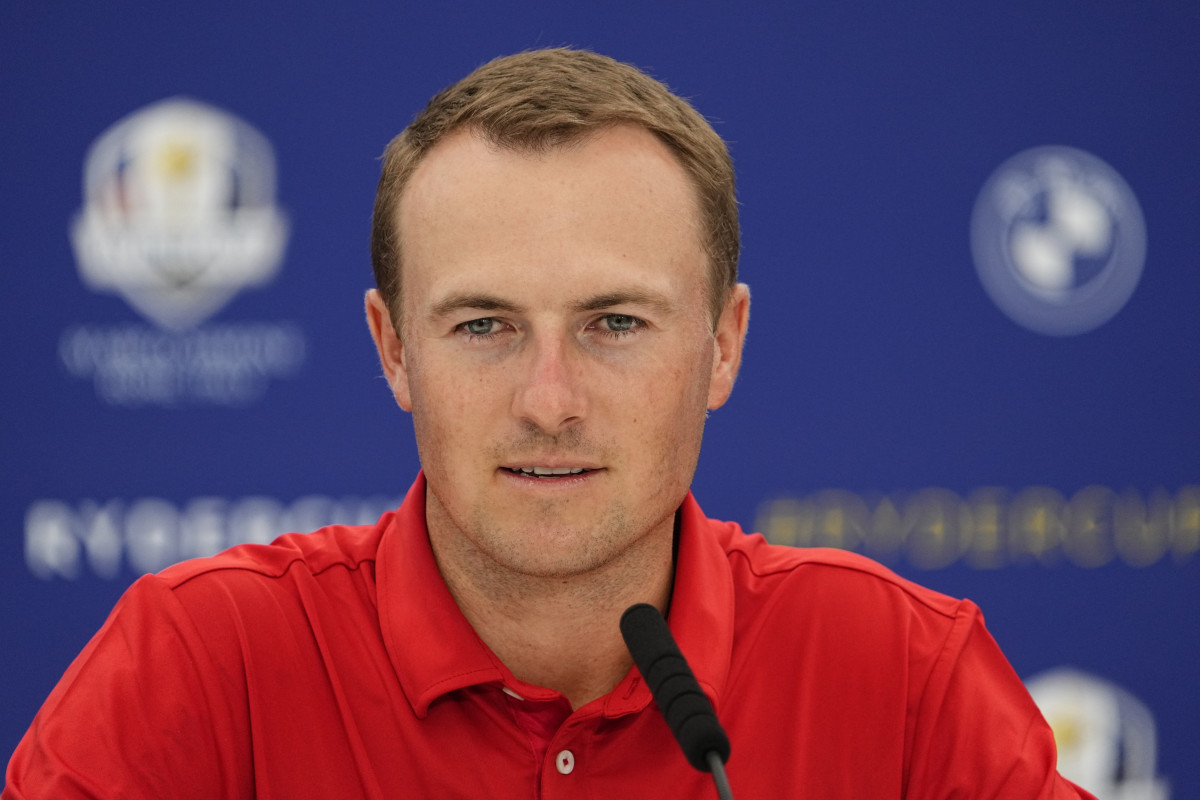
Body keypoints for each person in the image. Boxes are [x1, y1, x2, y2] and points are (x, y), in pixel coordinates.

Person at [4, 48, 1094, 799]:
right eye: (483, 325)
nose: (549, 398)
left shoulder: (902, 674)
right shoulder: (197, 662)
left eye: (615, 322)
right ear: (393, 349)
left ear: (724, 344)